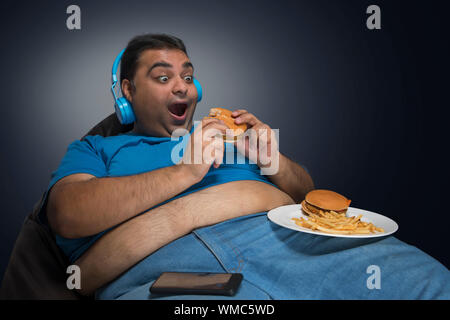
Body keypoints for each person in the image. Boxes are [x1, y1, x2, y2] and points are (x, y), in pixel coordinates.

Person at [41, 34, 449, 300]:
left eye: (188, 75)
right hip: (168, 272)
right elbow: (68, 213)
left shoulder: (225, 134)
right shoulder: (95, 148)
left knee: (432, 285)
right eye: (162, 77)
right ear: (127, 92)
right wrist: (184, 173)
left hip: (288, 241)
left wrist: (274, 162)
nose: (182, 86)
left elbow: (308, 197)